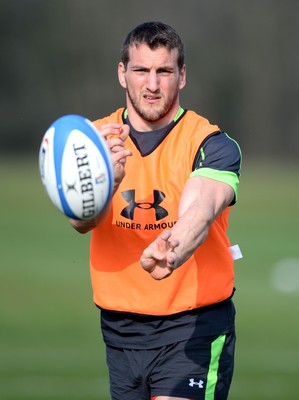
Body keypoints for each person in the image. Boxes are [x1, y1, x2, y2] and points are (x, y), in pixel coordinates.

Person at [70, 21, 242, 400]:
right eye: (141, 70)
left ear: (182, 76)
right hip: (119, 330)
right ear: (122, 74)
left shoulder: (210, 143)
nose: (152, 84)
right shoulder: (94, 141)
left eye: (164, 71)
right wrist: (105, 185)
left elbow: (203, 203)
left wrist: (173, 246)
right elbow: (80, 222)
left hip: (194, 326)